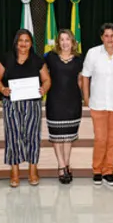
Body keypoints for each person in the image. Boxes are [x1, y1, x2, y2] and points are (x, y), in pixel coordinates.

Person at [0, 29, 51, 187]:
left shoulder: (37, 60)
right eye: (21, 41)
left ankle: (33, 170)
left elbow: (47, 80)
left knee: (32, 136)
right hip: (11, 103)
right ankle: (14, 171)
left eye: (27, 41)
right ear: (16, 42)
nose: (23, 44)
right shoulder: (6, 58)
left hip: (33, 103)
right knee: (13, 136)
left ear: (31, 43)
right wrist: (2, 89)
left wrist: (44, 89)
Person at [81, 23, 113, 186]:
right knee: (100, 139)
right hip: (98, 103)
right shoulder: (93, 53)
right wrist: (86, 97)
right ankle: (97, 170)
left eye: (112, 35)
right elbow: (85, 76)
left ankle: (108, 171)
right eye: (106, 36)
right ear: (101, 37)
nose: (109, 39)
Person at [45, 29, 84, 184]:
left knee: (68, 136)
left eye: (68, 39)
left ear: (73, 41)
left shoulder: (80, 59)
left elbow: (82, 81)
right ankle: (61, 165)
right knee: (56, 136)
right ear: (58, 42)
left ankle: (66, 163)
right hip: (55, 101)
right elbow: (42, 74)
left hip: (73, 101)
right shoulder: (51, 58)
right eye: (62, 39)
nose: (65, 42)